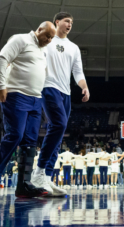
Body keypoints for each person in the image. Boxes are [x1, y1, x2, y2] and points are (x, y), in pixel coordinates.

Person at [0, 21, 56, 198]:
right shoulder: (20, 40)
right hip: (15, 95)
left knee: (30, 142)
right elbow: (2, 59)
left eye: (52, 37)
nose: (49, 40)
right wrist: (0, 85)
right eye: (47, 35)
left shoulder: (42, 50)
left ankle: (24, 184)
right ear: (39, 30)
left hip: (35, 99)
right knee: (15, 135)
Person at [32, 12, 89, 197]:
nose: (70, 24)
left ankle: (47, 177)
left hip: (66, 92)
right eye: (67, 21)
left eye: (72, 22)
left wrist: (84, 87)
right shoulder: (47, 40)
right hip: (48, 86)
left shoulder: (74, 47)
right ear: (57, 22)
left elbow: (78, 72)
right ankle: (39, 172)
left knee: (58, 133)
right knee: (59, 125)